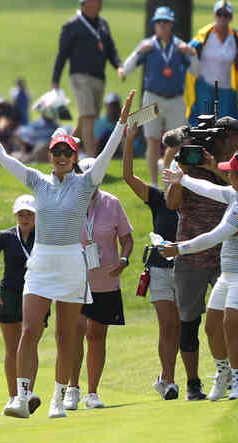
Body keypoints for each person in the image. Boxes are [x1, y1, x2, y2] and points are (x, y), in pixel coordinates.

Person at [0, 90, 135, 419]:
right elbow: (2, 157)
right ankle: (23, 396)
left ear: (73, 157)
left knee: (65, 334)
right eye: (56, 151)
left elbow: (107, 153)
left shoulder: (86, 183)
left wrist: (121, 123)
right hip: (41, 263)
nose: (60, 157)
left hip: (72, 263)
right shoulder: (37, 181)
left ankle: (58, 398)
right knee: (30, 329)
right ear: (50, 154)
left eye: (66, 152)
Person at [160, 149, 238, 401]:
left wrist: (178, 248)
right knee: (212, 328)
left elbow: (215, 236)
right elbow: (210, 189)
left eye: (234, 171)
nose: (228, 173)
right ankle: (224, 374)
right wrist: (182, 179)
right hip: (229, 275)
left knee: (231, 326)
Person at [164, 116, 238, 401]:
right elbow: (171, 204)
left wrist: (212, 166)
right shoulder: (184, 162)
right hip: (190, 254)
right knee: (189, 321)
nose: (220, 144)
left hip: (226, 253)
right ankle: (193, 382)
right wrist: (184, 172)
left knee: (232, 318)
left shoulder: (232, 165)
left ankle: (236, 376)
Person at [65, 157, 133, 410]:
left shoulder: (112, 203)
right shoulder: (69, 202)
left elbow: (127, 239)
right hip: (75, 279)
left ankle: (92, 393)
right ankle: (72, 388)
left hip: (105, 280)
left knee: (96, 335)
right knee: (75, 332)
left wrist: (124, 259)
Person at [122, 123, 181, 400]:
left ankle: (169, 376)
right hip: (159, 268)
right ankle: (168, 379)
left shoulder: (195, 197)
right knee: (167, 326)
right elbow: (128, 176)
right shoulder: (157, 198)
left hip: (187, 268)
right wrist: (130, 141)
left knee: (182, 327)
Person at [0, 195, 46, 416]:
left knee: (30, 343)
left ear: (36, 216)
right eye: (21, 214)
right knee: (12, 348)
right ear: (16, 215)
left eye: (29, 214)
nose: (25, 218)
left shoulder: (44, 235)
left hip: (38, 293)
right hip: (9, 295)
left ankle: (27, 393)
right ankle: (13, 397)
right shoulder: (5, 236)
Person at [122, 6, 199, 186]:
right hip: (152, 98)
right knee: (152, 141)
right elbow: (126, 69)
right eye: (159, 22)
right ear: (155, 25)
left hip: (176, 98)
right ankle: (155, 184)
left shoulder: (180, 46)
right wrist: (138, 52)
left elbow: (195, 72)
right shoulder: (148, 46)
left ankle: (165, 167)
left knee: (178, 140)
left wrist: (193, 54)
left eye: (166, 22)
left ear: (171, 24)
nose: (162, 25)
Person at [51, 0, 124, 157]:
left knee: (85, 120)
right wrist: (55, 80)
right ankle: (92, 164)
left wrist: (119, 66)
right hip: (79, 77)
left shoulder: (103, 24)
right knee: (89, 118)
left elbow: (110, 49)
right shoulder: (71, 26)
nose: (100, 2)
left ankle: (62, 150)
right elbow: (62, 54)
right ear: (86, 3)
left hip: (99, 78)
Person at [185, 0, 238, 124]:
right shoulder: (204, 35)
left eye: (226, 15)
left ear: (231, 17)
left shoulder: (237, 38)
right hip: (204, 88)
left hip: (226, 90)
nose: (223, 18)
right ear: (214, 15)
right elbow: (188, 52)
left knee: (224, 128)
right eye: (219, 14)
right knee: (202, 127)